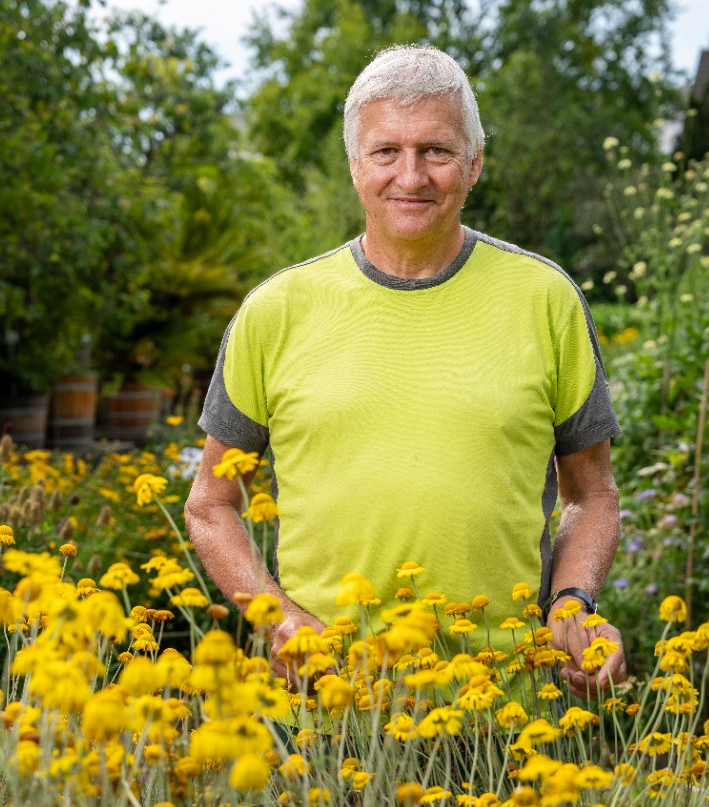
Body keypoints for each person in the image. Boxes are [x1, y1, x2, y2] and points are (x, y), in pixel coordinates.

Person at [184, 44, 625, 699]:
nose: (411, 176)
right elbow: (211, 505)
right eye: (387, 151)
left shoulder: (546, 299)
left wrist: (571, 604)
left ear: (474, 164)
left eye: (437, 151)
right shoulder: (277, 311)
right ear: (356, 166)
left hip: (507, 709)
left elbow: (591, 494)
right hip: (329, 704)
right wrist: (276, 620)